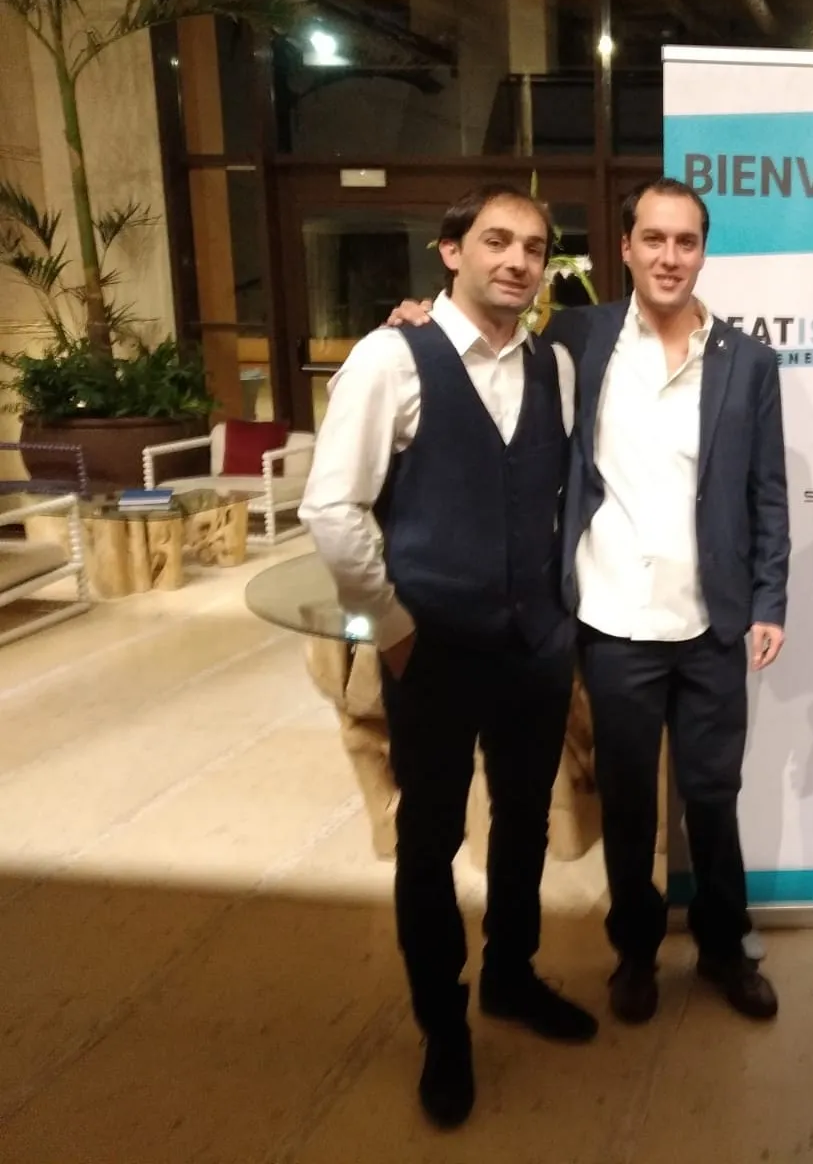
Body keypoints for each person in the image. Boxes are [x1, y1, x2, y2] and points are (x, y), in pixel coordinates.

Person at [387, 176, 790, 1026]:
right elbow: (484, 338)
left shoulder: (748, 361)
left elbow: (768, 490)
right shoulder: (579, 337)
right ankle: (634, 952)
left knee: (712, 797)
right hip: (612, 622)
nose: (670, 257)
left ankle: (724, 946)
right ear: (627, 247)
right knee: (629, 800)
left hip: (712, 622)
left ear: (702, 252)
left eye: (686, 242)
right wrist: (418, 317)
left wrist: (769, 599)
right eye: (654, 239)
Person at [300, 182, 597, 1132]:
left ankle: (510, 973)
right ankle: (443, 1025)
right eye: (497, 241)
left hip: (535, 644)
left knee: (524, 821)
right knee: (428, 842)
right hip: (431, 646)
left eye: (534, 247)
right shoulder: (392, 356)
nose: (517, 260)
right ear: (451, 251)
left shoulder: (558, 367)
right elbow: (332, 508)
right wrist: (389, 624)